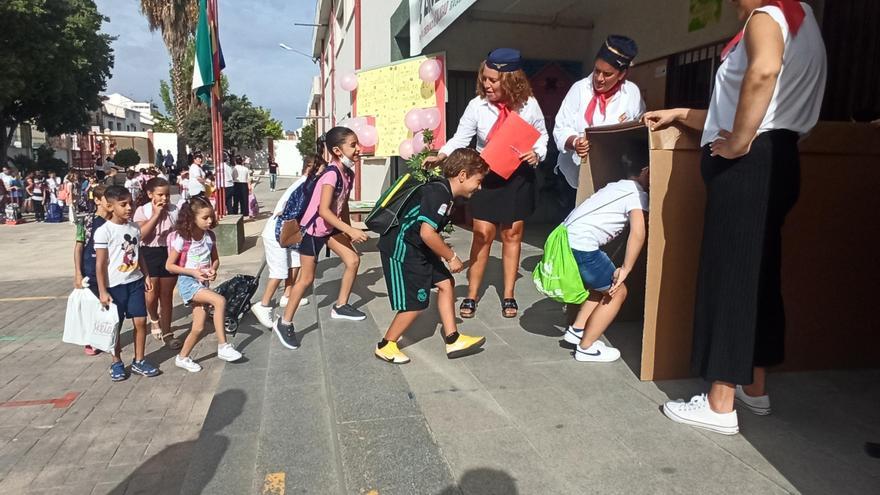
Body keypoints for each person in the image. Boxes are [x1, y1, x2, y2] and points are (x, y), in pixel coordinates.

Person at [644, 0, 826, 435]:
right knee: (758, 276)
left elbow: (762, 74)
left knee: (730, 277)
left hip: (750, 164)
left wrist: (740, 141)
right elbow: (756, 102)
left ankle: (720, 402)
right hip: (778, 155)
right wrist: (682, 115)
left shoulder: (767, 16)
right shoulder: (804, 21)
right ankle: (753, 387)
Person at [431, 48, 549, 320]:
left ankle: (509, 294)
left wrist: (537, 153)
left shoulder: (528, 104)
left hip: (518, 176)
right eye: (485, 78)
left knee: (512, 234)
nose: (487, 84)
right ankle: (472, 294)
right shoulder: (477, 105)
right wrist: (441, 155)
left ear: (511, 80)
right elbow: (461, 138)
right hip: (486, 177)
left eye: (494, 80)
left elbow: (541, 136)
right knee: (482, 234)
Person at [375, 149, 490, 364]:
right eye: (479, 180)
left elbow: (428, 231)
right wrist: (451, 256)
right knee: (416, 303)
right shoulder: (440, 193)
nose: (480, 186)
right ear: (463, 175)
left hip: (417, 246)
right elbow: (427, 233)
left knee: (446, 283)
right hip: (403, 248)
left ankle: (452, 338)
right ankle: (386, 344)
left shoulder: (443, 191)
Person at [273, 127, 369, 349]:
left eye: (357, 144)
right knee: (306, 279)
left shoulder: (348, 173)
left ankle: (341, 306)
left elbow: (341, 205)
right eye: (352, 145)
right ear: (337, 150)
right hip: (313, 231)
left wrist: (348, 229)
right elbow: (324, 210)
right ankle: (284, 322)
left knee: (353, 260)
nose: (358, 149)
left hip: (329, 228)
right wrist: (351, 230)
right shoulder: (331, 174)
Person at [561, 154, 649, 363]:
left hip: (567, 240)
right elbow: (638, 232)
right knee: (618, 290)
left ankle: (577, 330)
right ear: (645, 172)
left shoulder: (616, 186)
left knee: (601, 284)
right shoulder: (636, 194)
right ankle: (586, 348)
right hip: (582, 245)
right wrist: (626, 269)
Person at [554, 35, 645, 193]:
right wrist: (575, 142)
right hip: (575, 174)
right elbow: (561, 128)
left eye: (607, 74)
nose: (599, 78)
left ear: (622, 74)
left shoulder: (632, 94)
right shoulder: (580, 89)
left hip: (612, 175)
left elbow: (637, 132)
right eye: (597, 71)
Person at [165, 196, 243, 371]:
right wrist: (193, 272)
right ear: (192, 218)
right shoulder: (182, 238)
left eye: (211, 217)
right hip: (188, 282)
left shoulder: (209, 237)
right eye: (205, 218)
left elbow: (215, 260)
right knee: (220, 301)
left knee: (198, 327)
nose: (209, 221)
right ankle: (223, 346)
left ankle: (182, 357)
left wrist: (213, 270)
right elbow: (169, 266)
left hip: (203, 282)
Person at [250, 156, 326, 328]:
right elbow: (294, 210)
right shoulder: (304, 186)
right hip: (278, 232)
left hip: (288, 232)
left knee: (296, 261)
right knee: (279, 270)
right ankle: (263, 305)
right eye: (321, 171)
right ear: (311, 169)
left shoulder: (306, 184)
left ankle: (288, 294)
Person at [94, 186, 158, 380]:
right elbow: (100, 264)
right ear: (110, 206)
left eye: (130, 203)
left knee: (140, 322)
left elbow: (140, 255)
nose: (129, 207)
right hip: (115, 286)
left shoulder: (134, 228)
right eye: (123, 204)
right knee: (116, 326)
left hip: (135, 282)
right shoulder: (104, 231)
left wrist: (145, 274)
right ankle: (116, 362)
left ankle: (139, 360)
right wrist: (103, 291)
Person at [133, 177, 181, 350]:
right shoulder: (142, 210)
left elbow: (181, 232)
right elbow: (141, 235)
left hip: (168, 253)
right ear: (150, 194)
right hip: (148, 253)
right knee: (151, 294)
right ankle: (154, 319)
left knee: (166, 295)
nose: (164, 199)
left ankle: (167, 332)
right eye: (160, 195)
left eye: (167, 195)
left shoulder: (175, 210)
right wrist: (156, 215)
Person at [73, 183, 110, 356]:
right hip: (89, 270)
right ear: (96, 200)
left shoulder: (114, 222)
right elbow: (78, 247)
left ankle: (106, 336)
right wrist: (78, 273)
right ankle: (91, 339)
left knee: (109, 307)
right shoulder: (86, 221)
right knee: (92, 307)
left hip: (110, 271)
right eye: (105, 199)